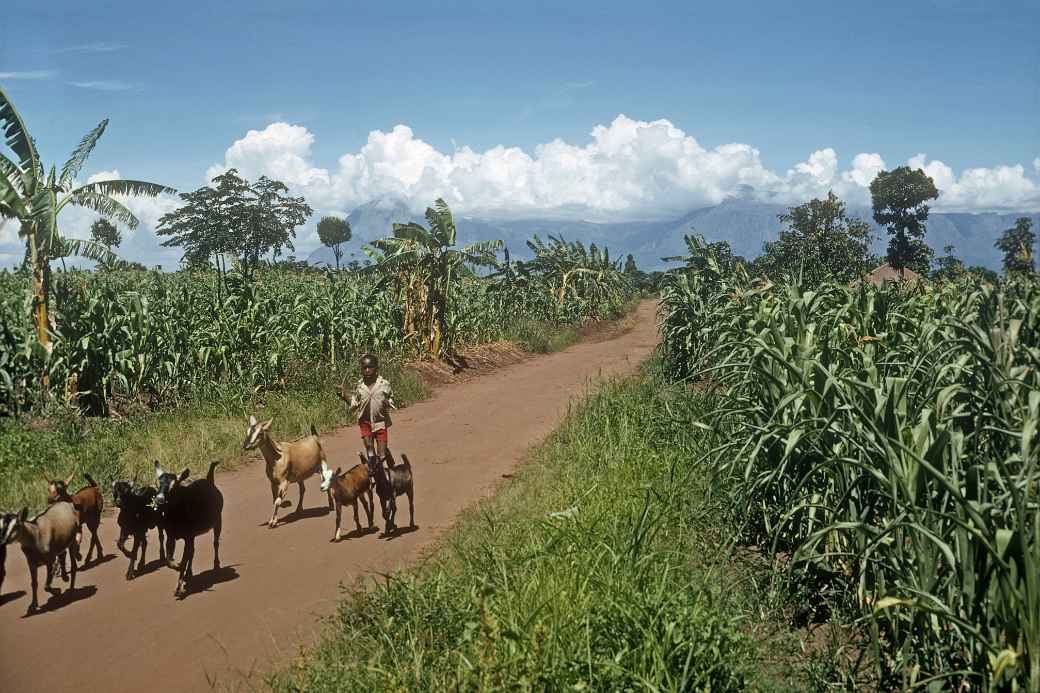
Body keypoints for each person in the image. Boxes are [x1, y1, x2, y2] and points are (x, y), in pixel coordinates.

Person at [338, 353, 396, 463]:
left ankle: (386, 457)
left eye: (370, 367)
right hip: (365, 423)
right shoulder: (360, 387)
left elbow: (391, 399)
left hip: (380, 423)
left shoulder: (384, 384)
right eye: (365, 368)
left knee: (381, 456)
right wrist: (344, 395)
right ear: (361, 370)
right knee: (371, 454)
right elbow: (355, 403)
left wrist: (388, 403)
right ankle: (376, 476)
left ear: (376, 368)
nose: (367, 370)